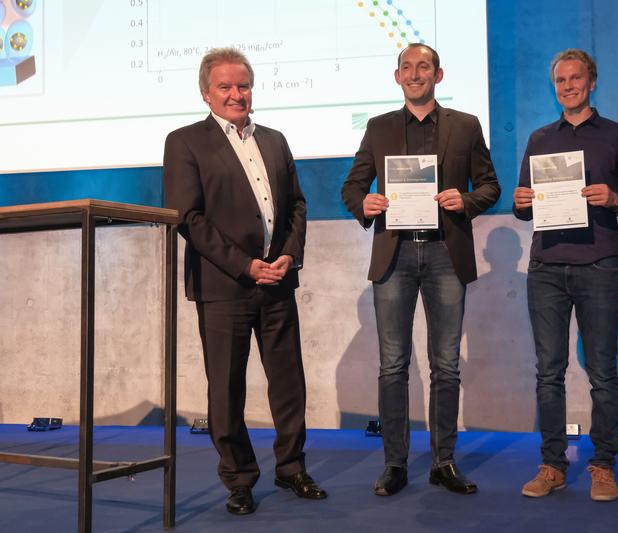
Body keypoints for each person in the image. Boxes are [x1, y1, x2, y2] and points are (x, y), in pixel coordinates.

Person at [163, 47, 326, 516]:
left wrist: (289, 255)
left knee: (289, 383)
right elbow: (187, 217)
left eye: (243, 86)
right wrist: (245, 264)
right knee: (227, 389)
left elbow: (296, 205)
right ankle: (239, 478)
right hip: (224, 286)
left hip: (278, 281)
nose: (236, 94)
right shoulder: (185, 141)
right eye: (225, 87)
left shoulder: (274, 139)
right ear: (206, 93)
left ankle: (292, 468)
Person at [341, 43, 500, 496]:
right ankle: (394, 464)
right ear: (397, 78)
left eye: (423, 67)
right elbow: (352, 186)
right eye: (407, 68)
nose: (415, 74)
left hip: (444, 255)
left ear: (439, 74)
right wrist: (365, 204)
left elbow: (490, 185)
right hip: (394, 255)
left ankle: (443, 462)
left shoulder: (465, 126)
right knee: (393, 365)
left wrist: (466, 201)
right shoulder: (379, 127)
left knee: (445, 366)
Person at [513, 48, 618, 502]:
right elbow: (522, 208)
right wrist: (520, 202)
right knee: (548, 373)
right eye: (560, 81)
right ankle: (552, 465)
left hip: (597, 266)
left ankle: (602, 465)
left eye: (576, 79)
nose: (568, 86)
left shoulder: (617, 136)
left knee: (602, 374)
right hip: (546, 268)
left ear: (592, 82)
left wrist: (613, 199)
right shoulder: (538, 138)